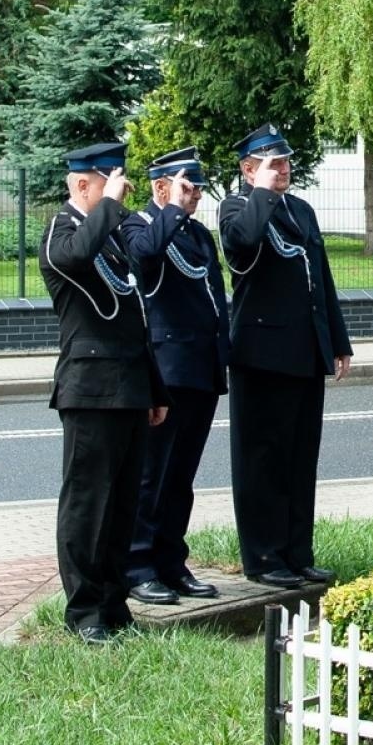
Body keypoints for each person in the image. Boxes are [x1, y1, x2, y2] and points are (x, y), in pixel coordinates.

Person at [39, 142, 169, 644]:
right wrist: (111, 206)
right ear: (82, 184)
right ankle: (85, 610)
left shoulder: (108, 238)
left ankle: (115, 605)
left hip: (131, 387)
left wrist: (156, 390)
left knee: (121, 506)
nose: (119, 191)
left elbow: (136, 321)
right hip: (90, 389)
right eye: (107, 181)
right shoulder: (62, 229)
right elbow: (72, 258)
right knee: (88, 503)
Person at [218, 123, 353, 589]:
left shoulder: (302, 210)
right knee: (262, 461)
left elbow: (322, 279)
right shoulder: (236, 208)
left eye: (286, 162)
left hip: (304, 352)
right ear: (248, 169)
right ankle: (263, 557)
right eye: (273, 164)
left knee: (299, 458)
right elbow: (244, 243)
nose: (284, 171)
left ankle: (298, 553)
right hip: (261, 355)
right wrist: (260, 191)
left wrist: (337, 340)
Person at [121, 147, 230, 605]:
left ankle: (171, 560)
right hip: (167, 369)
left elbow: (214, 296)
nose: (195, 195)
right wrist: (170, 210)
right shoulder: (138, 225)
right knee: (152, 475)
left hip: (202, 367)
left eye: (198, 188)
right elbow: (144, 260)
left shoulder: (198, 235)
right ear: (161, 187)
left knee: (181, 475)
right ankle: (139, 565)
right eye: (187, 186)